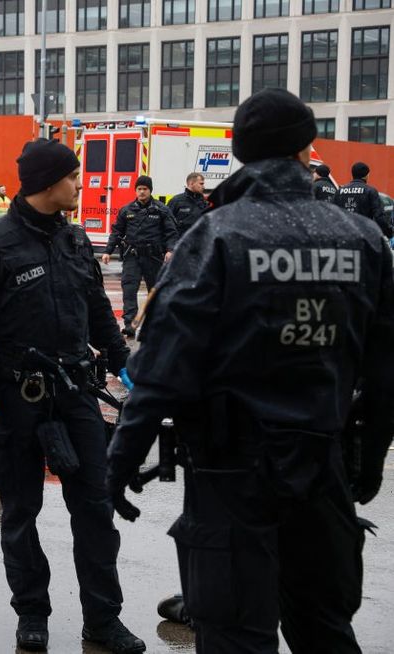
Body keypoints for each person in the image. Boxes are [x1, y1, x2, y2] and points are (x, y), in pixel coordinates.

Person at [106, 88, 394, 654]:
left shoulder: (216, 237)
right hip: (322, 469)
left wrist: (119, 459)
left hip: (232, 478)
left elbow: (161, 368)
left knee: (237, 637)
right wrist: (371, 457)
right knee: (325, 629)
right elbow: (386, 372)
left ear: (241, 153)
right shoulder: (364, 241)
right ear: (307, 150)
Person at [0, 138, 144, 654]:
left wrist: (124, 362)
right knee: (20, 512)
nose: (80, 185)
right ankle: (31, 613)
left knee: (95, 511)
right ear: (47, 182)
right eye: (73, 176)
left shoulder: (76, 241)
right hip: (16, 398)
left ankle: (103, 619)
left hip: (77, 395)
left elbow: (99, 310)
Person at [101, 176, 178, 338]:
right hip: (132, 256)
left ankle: (154, 324)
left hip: (154, 257)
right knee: (129, 289)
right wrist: (107, 251)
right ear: (135, 190)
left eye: (145, 189)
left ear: (150, 191)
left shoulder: (161, 210)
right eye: (139, 189)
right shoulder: (127, 210)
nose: (142, 192)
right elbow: (116, 232)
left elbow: (171, 232)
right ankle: (130, 324)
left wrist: (170, 249)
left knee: (154, 291)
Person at [334, 162, 391, 238]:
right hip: (363, 236)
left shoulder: (339, 191)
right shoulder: (370, 191)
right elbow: (379, 216)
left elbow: (332, 213)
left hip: (343, 235)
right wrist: (388, 233)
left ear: (352, 174)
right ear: (366, 175)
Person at [166, 173, 208, 237]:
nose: (203, 187)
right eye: (201, 184)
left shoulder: (205, 202)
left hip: (200, 243)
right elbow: (167, 223)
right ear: (191, 183)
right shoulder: (177, 201)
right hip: (180, 243)